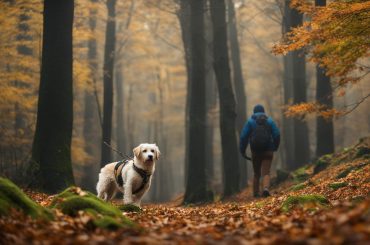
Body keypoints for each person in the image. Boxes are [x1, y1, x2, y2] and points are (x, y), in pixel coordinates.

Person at [239, 104, 280, 197]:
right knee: (266, 172)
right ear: (263, 111)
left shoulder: (250, 122)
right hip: (268, 150)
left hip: (255, 151)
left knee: (256, 173)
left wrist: (242, 150)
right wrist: (275, 146)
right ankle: (266, 188)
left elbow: (243, 137)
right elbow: (277, 134)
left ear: (254, 112)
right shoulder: (269, 121)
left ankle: (256, 193)